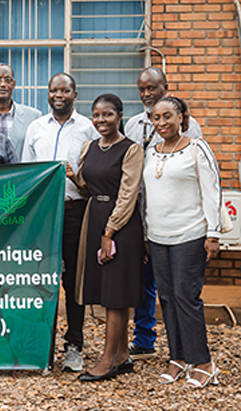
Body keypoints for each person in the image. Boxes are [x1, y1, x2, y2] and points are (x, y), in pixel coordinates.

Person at [123, 67, 203, 361]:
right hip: (142, 215)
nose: (147, 93)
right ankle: (145, 340)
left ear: (165, 88)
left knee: (178, 288)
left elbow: (199, 175)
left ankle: (184, 349)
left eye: (152, 88)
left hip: (178, 218)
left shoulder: (188, 127)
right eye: (142, 89)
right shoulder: (132, 125)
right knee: (145, 282)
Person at [144, 96, 221, 388]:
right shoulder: (152, 151)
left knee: (186, 297)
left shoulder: (196, 148)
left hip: (190, 235)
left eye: (167, 117)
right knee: (166, 298)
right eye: (156, 118)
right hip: (158, 237)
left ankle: (203, 362)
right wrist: (146, 236)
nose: (161, 123)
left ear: (181, 118)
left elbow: (212, 191)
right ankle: (177, 358)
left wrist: (213, 233)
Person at [22, 73, 97, 372]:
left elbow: (93, 175)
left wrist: (73, 178)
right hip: (42, 215)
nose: (59, 95)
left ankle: (74, 346)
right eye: (54, 90)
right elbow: (26, 174)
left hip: (75, 211)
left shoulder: (88, 129)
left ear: (75, 94)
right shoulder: (35, 128)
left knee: (73, 281)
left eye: (65, 90)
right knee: (41, 281)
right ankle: (42, 346)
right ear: (48, 93)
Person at [69, 94, 144, 382]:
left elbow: (128, 195)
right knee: (107, 289)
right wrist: (74, 177)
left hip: (119, 224)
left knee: (115, 294)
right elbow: (89, 188)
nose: (101, 120)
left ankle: (107, 360)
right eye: (97, 115)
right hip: (94, 215)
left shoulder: (131, 150)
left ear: (120, 115)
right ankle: (122, 355)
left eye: (108, 115)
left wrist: (109, 231)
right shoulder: (90, 147)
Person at [0, 63, 42, 158]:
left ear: (13, 84)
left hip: (23, 173)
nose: (3, 84)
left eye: (7, 80)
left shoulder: (34, 116)